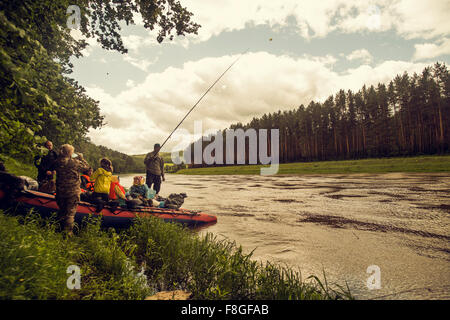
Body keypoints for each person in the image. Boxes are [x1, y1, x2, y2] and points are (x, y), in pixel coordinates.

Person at [54, 144, 90, 236]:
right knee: (70, 213)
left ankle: (58, 230)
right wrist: (81, 158)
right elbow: (86, 167)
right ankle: (68, 233)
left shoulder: (57, 161)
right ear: (70, 153)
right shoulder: (74, 162)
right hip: (72, 191)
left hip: (60, 190)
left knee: (62, 211)